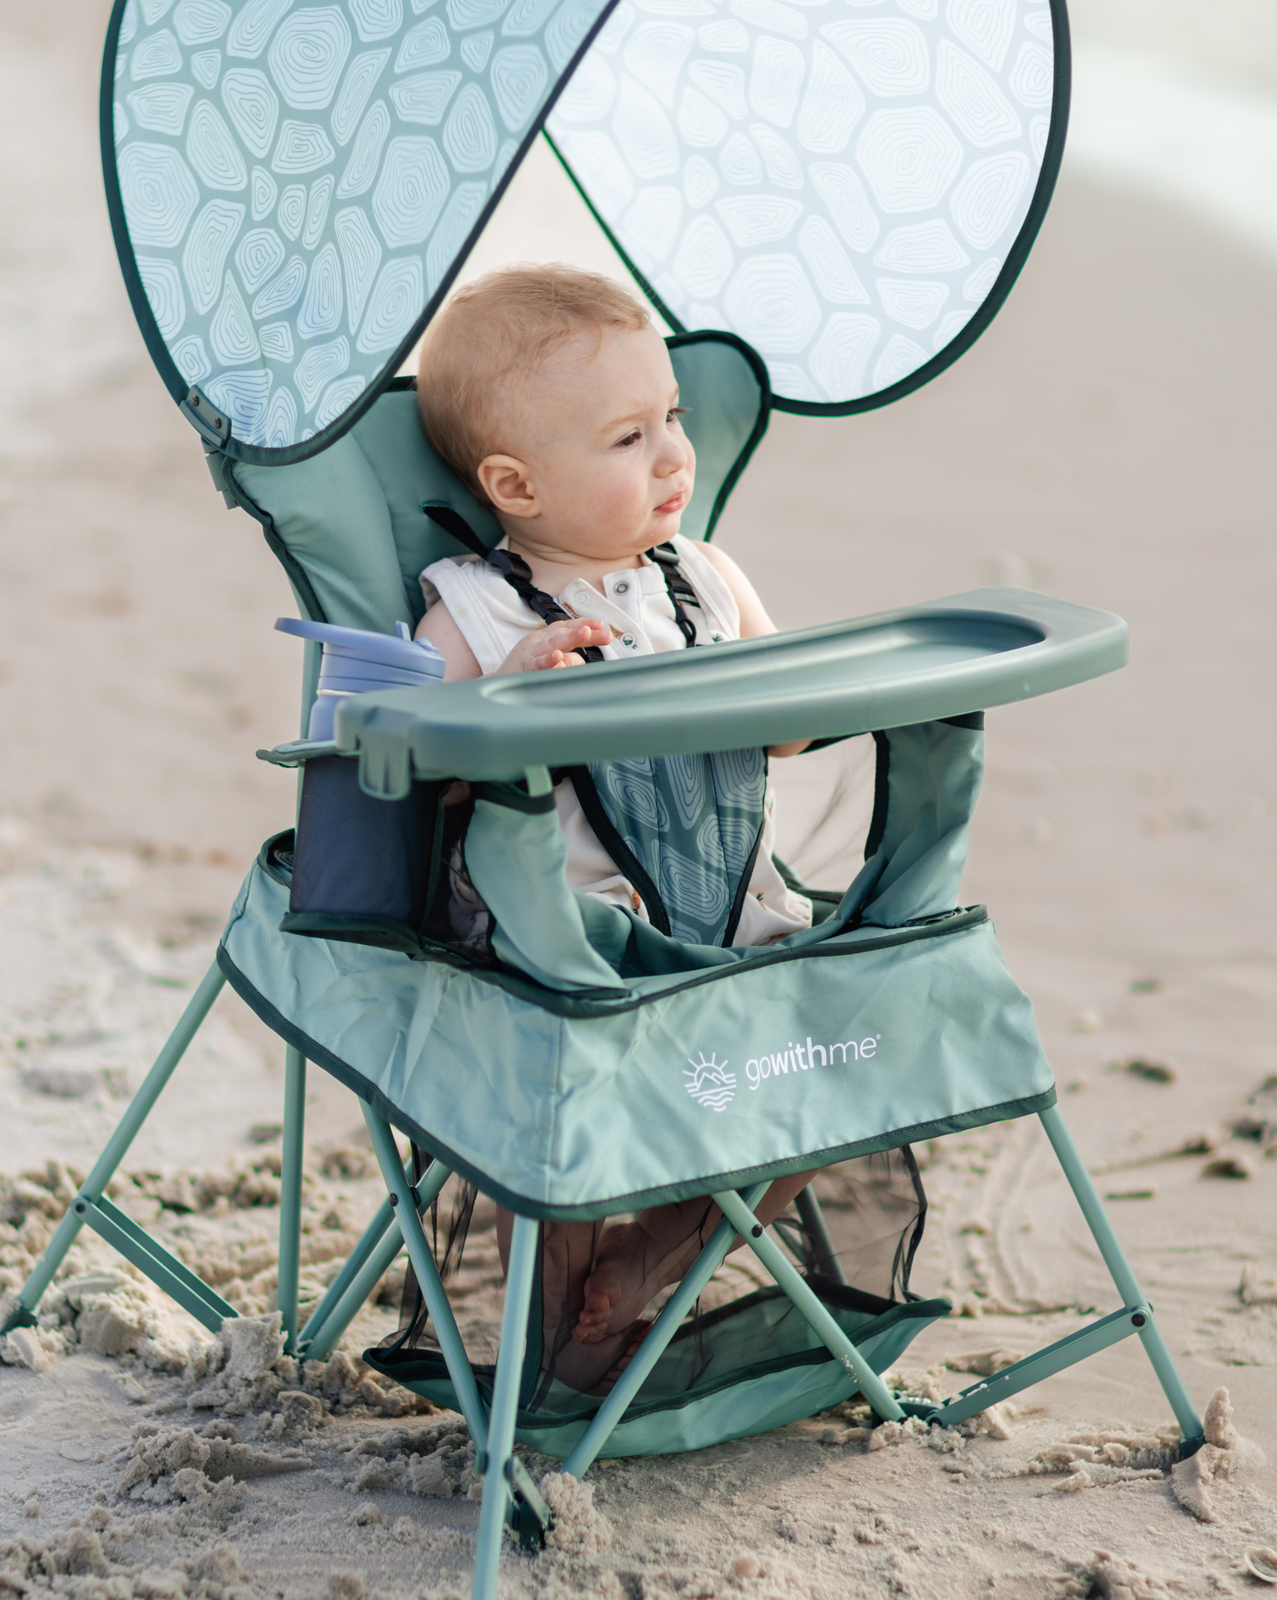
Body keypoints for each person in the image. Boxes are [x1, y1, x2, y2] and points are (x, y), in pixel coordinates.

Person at [413, 263, 818, 1390]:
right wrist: (504, 697)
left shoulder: (706, 577)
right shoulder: (476, 607)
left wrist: (763, 687)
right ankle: (557, 1352)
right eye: (629, 437)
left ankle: (650, 1264)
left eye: (673, 420)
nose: (675, 457)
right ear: (517, 484)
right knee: (562, 1144)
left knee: (835, 1068)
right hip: (565, 945)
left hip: (730, 923)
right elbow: (410, 767)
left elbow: (793, 730)